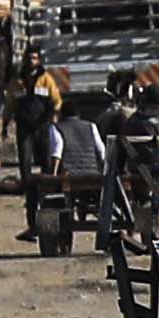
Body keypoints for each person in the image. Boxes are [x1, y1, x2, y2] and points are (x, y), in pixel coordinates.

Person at [44, 99, 113, 257]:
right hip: (93, 177)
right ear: (78, 114)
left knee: (61, 199)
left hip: (71, 179)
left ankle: (62, 240)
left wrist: (54, 177)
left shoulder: (56, 128)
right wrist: (105, 173)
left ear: (62, 114)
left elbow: (57, 152)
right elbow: (102, 152)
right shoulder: (91, 126)